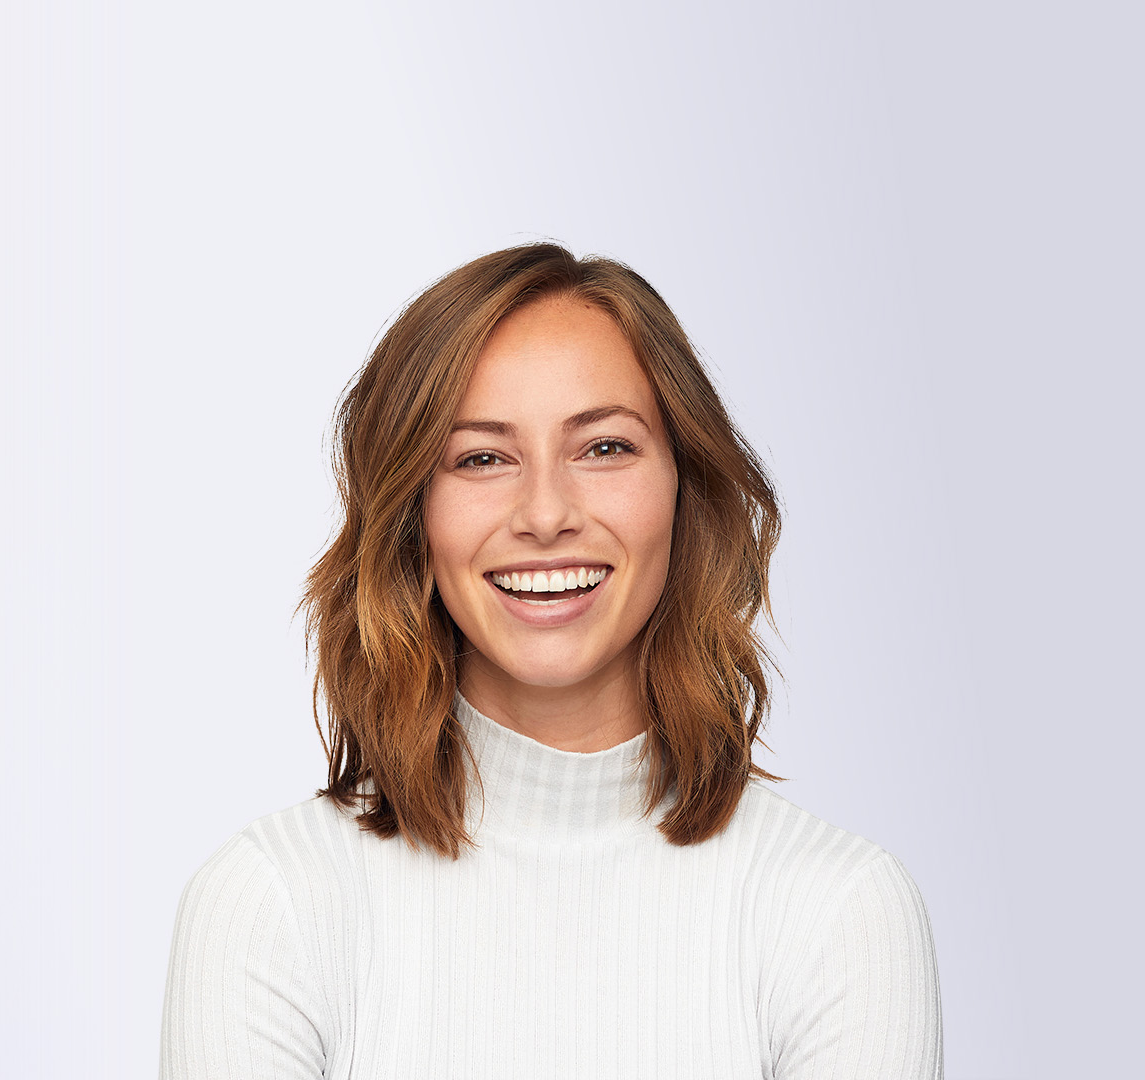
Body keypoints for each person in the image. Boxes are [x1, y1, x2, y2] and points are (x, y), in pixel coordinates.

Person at [157, 243, 944, 1078]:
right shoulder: (269, 906)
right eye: (481, 458)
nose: (544, 513)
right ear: (412, 516)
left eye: (603, 447)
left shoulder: (839, 914)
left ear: (687, 486)